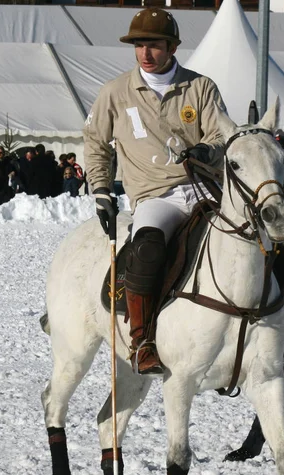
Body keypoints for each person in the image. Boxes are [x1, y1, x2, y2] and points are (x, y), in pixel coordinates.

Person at [84, 7, 226, 374]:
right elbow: (95, 144)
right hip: (156, 195)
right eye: (139, 45)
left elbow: (221, 134)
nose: (145, 53)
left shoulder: (200, 87)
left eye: (154, 45)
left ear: (173, 47)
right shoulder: (115, 92)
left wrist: (206, 150)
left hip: (205, 188)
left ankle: (278, 319)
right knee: (147, 245)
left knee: (251, 235)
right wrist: (100, 187)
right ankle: (142, 340)